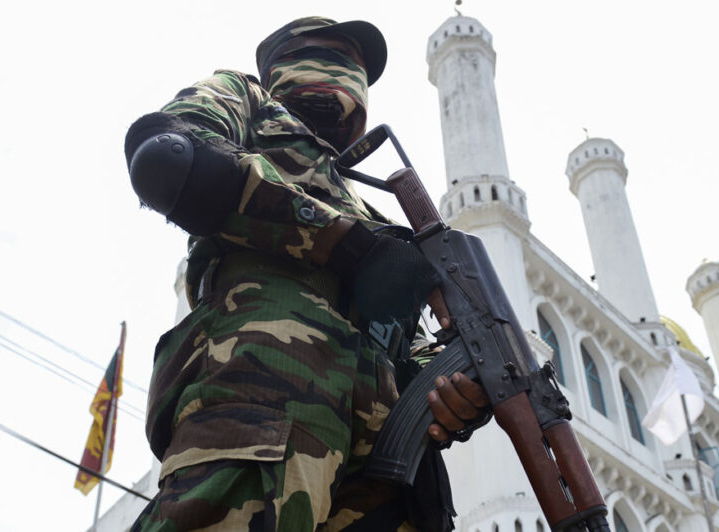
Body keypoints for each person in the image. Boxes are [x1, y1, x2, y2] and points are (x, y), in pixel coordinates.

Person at [124, 17, 487, 531]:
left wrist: (457, 388)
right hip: (267, 398)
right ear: (277, 67)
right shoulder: (244, 100)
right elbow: (169, 156)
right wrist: (338, 240)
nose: (342, 72)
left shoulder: (378, 220)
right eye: (325, 52)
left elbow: (408, 347)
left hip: (387, 474)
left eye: (355, 65)